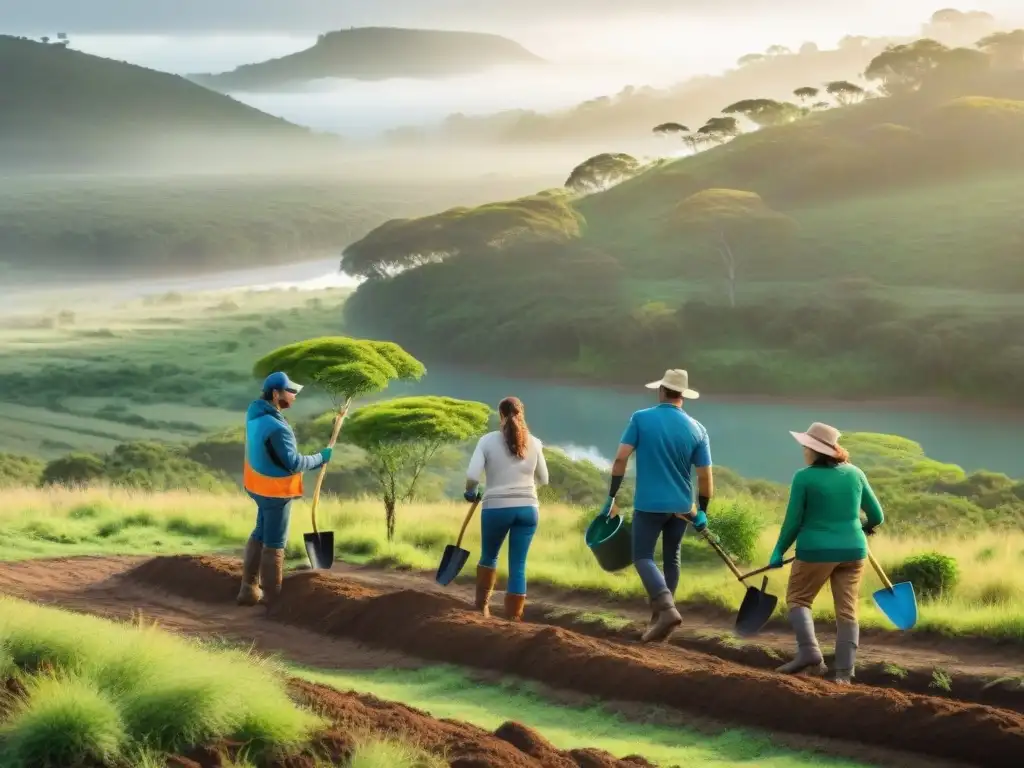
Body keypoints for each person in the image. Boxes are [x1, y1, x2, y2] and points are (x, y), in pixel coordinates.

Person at [768, 422, 885, 683]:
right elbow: (877, 516)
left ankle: (809, 654)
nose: (803, 450)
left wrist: (778, 552)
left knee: (799, 599)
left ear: (814, 449)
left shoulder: (804, 477)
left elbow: (793, 522)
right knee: (847, 609)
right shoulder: (856, 473)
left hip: (815, 551)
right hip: (855, 550)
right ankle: (844, 674)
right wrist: (862, 530)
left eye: (805, 446)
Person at [606, 369, 713, 643]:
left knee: (642, 556)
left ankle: (666, 610)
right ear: (683, 396)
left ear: (661, 391)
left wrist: (612, 496)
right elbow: (704, 476)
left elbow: (620, 459)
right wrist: (703, 511)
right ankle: (660, 623)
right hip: (681, 507)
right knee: (672, 558)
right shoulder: (698, 428)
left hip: (649, 505)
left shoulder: (641, 418)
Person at [237, 371, 334, 609]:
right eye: (290, 391)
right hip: (275, 491)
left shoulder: (255, 413)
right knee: (275, 541)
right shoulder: (278, 428)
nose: (294, 396)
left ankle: (248, 589)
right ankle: (272, 598)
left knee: (260, 532)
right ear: (275, 393)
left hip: (257, 485)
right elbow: (293, 463)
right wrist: (320, 458)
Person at [465, 396, 549, 622]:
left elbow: (473, 475)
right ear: (522, 414)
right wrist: (525, 491)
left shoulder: (487, 440)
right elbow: (544, 479)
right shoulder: (535, 442)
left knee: (489, 556)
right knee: (518, 564)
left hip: (496, 508)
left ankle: (482, 608)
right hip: (528, 509)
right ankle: (514, 617)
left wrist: (470, 493)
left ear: (500, 415)